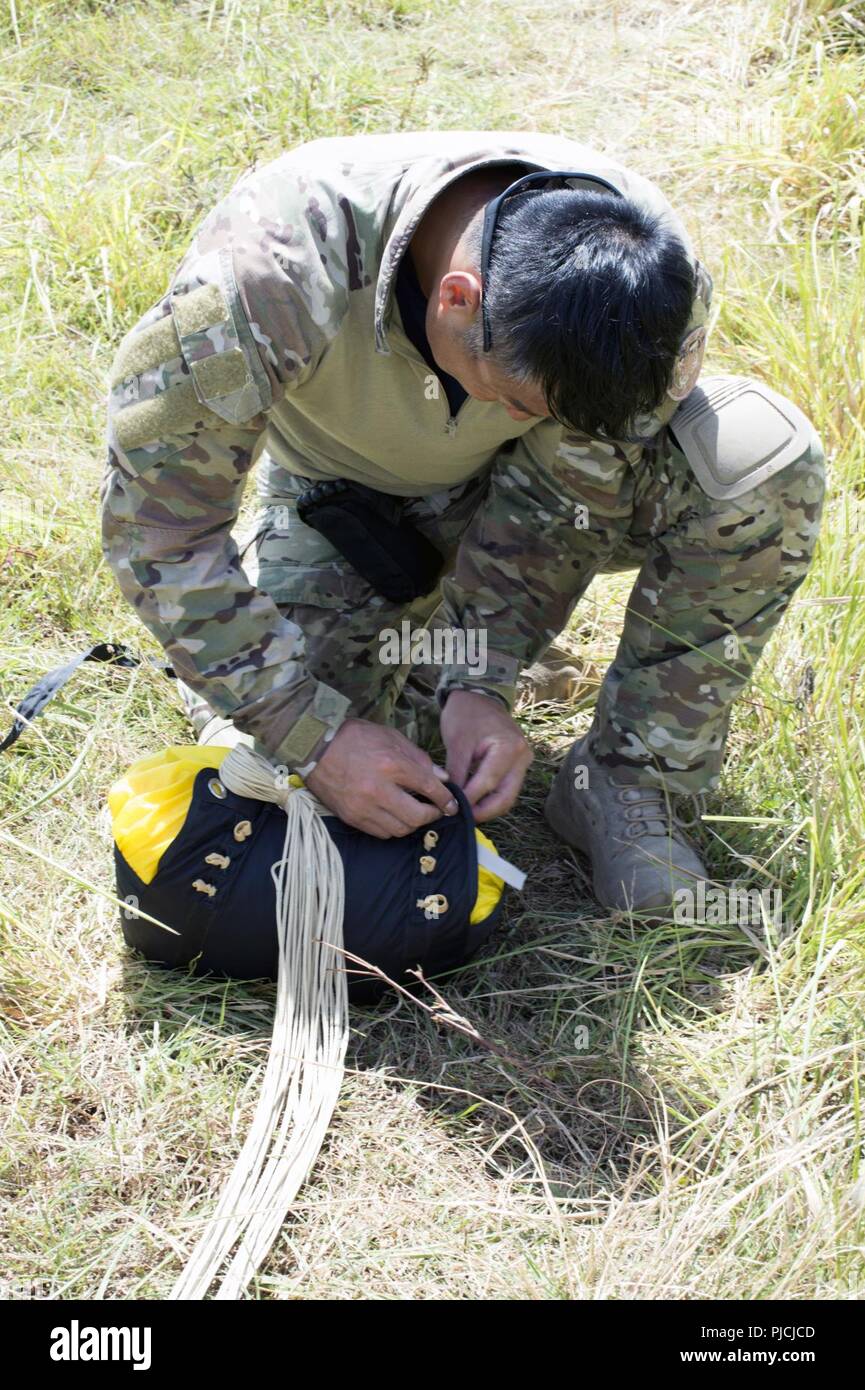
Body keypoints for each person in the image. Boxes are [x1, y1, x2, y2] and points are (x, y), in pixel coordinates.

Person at [100, 131, 825, 914]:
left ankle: (625, 782)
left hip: (538, 500)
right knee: (302, 765)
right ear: (457, 298)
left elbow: (562, 492)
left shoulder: (643, 279)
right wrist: (317, 735)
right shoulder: (264, 280)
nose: (513, 416)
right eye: (512, 396)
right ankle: (405, 659)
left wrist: (479, 680)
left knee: (756, 461)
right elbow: (162, 534)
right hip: (354, 505)